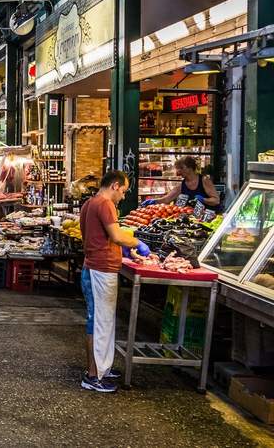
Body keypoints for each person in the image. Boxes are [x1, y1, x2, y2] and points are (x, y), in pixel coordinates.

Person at [80, 170, 150, 393]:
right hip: (100, 270)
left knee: (101, 321)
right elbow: (117, 236)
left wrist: (122, 251)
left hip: (94, 266)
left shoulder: (89, 204)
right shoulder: (105, 204)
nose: (123, 196)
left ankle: (102, 368)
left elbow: (97, 237)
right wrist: (136, 242)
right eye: (123, 191)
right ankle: (94, 376)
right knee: (100, 322)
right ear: (115, 186)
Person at [141, 156, 220, 210]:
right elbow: (166, 199)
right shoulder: (181, 186)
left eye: (182, 168)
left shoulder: (204, 181)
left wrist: (203, 200)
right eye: (178, 168)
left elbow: (216, 200)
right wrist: (154, 201)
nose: (179, 171)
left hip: (208, 217)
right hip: (191, 218)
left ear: (190, 168)